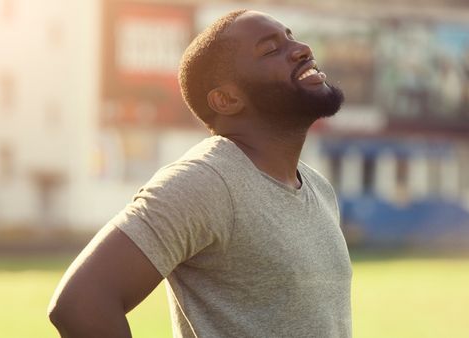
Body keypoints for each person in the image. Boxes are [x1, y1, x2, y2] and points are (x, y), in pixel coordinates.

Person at [48, 9, 351, 338]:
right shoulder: (206, 181)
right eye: (270, 49)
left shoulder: (318, 188)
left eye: (291, 36)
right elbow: (81, 303)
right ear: (227, 99)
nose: (302, 48)